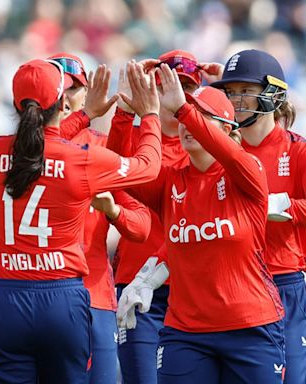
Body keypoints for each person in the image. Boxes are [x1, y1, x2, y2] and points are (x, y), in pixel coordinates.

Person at [0, 53, 155, 384]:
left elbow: (139, 227)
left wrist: (113, 211)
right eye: (63, 88)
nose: (69, 95)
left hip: (56, 297)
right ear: (62, 104)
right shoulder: (87, 158)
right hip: (64, 297)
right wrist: (144, 114)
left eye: (75, 86)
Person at [110, 63, 285, 383]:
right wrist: (128, 114)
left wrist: (182, 109)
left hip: (250, 328)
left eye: (204, 117)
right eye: (185, 117)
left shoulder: (248, 173)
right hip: (185, 333)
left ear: (230, 131)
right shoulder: (168, 183)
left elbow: (231, 156)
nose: (188, 122)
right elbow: (117, 172)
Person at [211, 49, 306, 384]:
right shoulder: (217, 156)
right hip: (229, 287)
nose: (235, 101)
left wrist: (284, 207)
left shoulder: (297, 150)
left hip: (283, 281)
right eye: (231, 92)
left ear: (271, 95)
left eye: (245, 92)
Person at [109, 50, 203, 384]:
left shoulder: (204, 146)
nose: (178, 95)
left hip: (190, 289)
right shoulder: (135, 139)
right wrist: (124, 110)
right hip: (138, 282)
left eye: (188, 88)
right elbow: (113, 173)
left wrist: (230, 88)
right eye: (165, 85)